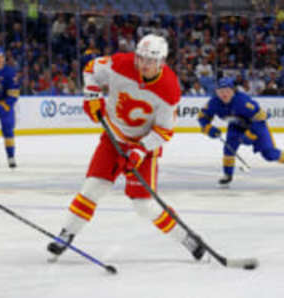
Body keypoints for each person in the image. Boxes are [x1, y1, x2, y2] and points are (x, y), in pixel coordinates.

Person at [46, 34, 205, 261]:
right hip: (113, 137)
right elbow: (91, 69)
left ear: (162, 62)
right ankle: (66, 234)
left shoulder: (169, 89)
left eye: (150, 61)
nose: (143, 65)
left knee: (144, 205)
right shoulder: (121, 63)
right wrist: (92, 95)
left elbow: (164, 131)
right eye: (141, 58)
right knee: (92, 188)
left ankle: (186, 237)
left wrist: (140, 150)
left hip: (144, 147)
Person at [198, 77, 284, 186]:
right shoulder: (213, 103)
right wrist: (208, 128)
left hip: (257, 126)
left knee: (269, 154)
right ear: (216, 92)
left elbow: (260, 118)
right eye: (221, 91)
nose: (224, 94)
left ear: (233, 91)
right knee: (229, 149)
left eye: (228, 91)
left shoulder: (242, 101)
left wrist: (250, 135)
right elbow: (202, 117)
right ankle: (227, 175)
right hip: (236, 127)